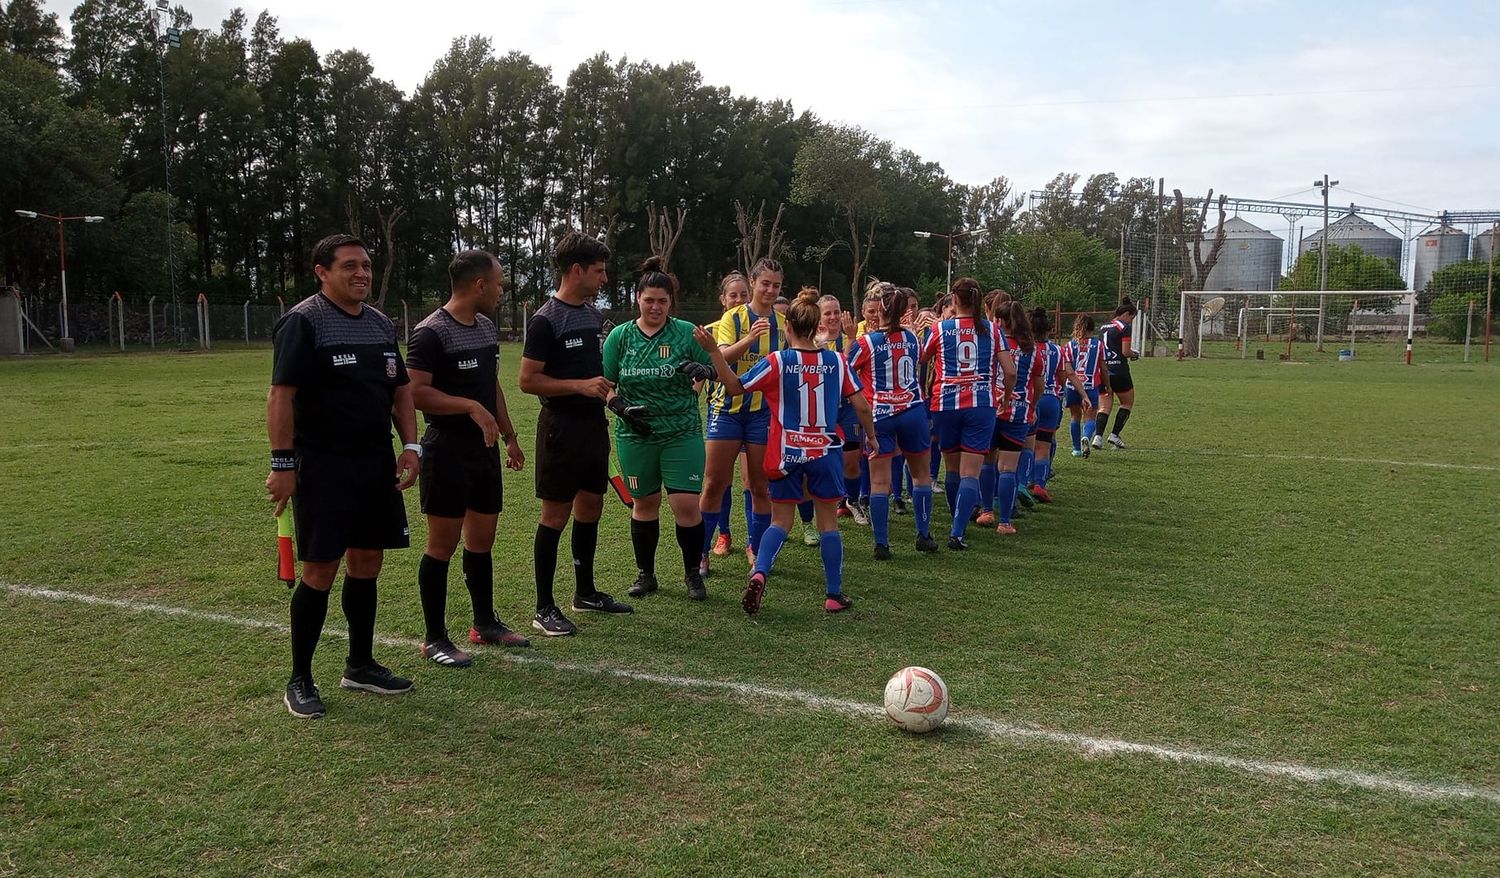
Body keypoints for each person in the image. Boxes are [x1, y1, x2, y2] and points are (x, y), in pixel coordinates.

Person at [267, 234, 419, 719]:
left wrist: (411, 447)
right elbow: (281, 396)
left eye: (367, 266)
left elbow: (401, 393)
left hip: (375, 463)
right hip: (323, 465)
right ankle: (300, 677)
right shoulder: (303, 321)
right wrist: (283, 465)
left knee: (368, 560)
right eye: (350, 266)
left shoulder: (378, 324)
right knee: (320, 569)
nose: (361, 274)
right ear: (322, 271)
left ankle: (360, 664)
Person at [696, 289, 876, 615]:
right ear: (818, 327)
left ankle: (761, 571)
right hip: (824, 452)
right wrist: (872, 438)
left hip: (786, 452)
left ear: (788, 328)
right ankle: (833, 594)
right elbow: (861, 405)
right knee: (828, 525)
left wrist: (714, 353)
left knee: (780, 521)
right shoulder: (836, 360)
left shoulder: (778, 361)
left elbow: (735, 387)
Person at [407, 250, 530, 669]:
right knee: (441, 545)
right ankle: (434, 638)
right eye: (498, 283)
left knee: (482, 541)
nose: (500, 290)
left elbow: (491, 385)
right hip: (446, 451)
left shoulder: (484, 327)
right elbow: (415, 392)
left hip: (486, 451)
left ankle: (484, 624)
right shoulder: (430, 333)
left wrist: (510, 436)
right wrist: (467, 407)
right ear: (479, 285)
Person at [518, 231, 633, 637]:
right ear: (577, 270)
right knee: (555, 515)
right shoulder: (546, 319)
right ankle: (543, 606)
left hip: (592, 426)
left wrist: (610, 397)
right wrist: (579, 387)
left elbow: (598, 376)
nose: (604, 279)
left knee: (591, 508)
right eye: (599, 272)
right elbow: (528, 381)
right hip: (560, 429)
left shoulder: (590, 315)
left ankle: (585, 593)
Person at [604, 258, 715, 602]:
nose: (655, 306)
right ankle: (646, 574)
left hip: (681, 433)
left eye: (662, 301)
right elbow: (604, 385)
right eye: (649, 300)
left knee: (686, 505)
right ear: (638, 298)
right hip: (635, 435)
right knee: (645, 503)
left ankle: (692, 574)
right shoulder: (620, 337)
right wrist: (618, 405)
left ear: (671, 303)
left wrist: (703, 373)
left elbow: (711, 367)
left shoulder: (685, 332)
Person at [699, 258, 788, 572]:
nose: (770, 290)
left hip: (763, 413)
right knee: (714, 483)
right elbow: (721, 356)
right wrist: (749, 339)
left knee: (760, 486)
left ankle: (757, 550)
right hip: (726, 410)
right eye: (765, 283)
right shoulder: (733, 318)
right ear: (753, 282)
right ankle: (703, 551)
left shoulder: (782, 323)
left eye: (776, 285)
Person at [847, 282, 938, 558]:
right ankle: (923, 534)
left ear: (880, 312)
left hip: (880, 416)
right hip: (912, 412)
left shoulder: (867, 342)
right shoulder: (912, 338)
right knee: (921, 476)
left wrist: (850, 338)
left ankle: (882, 543)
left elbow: (844, 371)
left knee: (878, 483)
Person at [920, 278, 1010, 550]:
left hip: (945, 403)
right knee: (971, 471)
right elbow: (1011, 370)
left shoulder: (940, 328)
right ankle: (957, 532)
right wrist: (1006, 393)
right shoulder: (993, 330)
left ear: (954, 301)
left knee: (953, 468)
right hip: (981, 405)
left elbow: (922, 359)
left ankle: (954, 516)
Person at [797, 291, 860, 546]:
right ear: (818, 317)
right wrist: (851, 341)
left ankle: (851, 503)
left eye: (837, 312)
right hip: (818, 413)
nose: (834, 317)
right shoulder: (815, 344)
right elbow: (837, 370)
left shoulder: (854, 339)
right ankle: (808, 523)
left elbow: (853, 374)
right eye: (828, 313)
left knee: (852, 462)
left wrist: (852, 339)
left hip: (847, 409)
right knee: (809, 470)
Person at [707, 274, 749, 561]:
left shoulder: (762, 328)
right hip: (721, 412)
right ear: (722, 299)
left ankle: (752, 542)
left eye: (743, 295)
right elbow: (697, 380)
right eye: (732, 295)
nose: (738, 300)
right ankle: (723, 534)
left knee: (752, 481)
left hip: (757, 413)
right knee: (719, 481)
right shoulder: (709, 332)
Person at [1028, 307, 1091, 502]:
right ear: (1048, 330)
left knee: (1024, 445)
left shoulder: (1024, 349)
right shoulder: (1057, 350)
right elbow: (1064, 377)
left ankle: (1022, 482)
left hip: (1029, 399)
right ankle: (1040, 484)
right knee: (1044, 446)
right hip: (1050, 400)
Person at [991, 301, 1042, 535]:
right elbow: (1039, 386)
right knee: (1008, 469)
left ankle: (985, 510)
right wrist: (1031, 407)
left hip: (991, 410)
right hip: (1019, 412)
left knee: (986, 463)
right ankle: (1005, 521)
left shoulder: (992, 344)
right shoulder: (1032, 350)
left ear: (1000, 322)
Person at [1095, 299, 1138, 450]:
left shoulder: (1103, 326)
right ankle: (1114, 435)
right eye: (1132, 318)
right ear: (1127, 314)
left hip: (1103, 370)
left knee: (1104, 406)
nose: (1131, 322)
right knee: (1127, 403)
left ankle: (1098, 437)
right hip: (1119, 369)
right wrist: (1135, 354)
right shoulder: (1124, 327)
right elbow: (1125, 351)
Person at [1064, 314, 1107, 458]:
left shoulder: (1070, 345)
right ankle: (1087, 437)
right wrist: (1107, 385)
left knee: (1074, 416)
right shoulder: (1098, 345)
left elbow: (1066, 368)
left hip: (1072, 386)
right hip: (1091, 386)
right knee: (1090, 417)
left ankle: (1076, 449)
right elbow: (1103, 367)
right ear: (1092, 328)